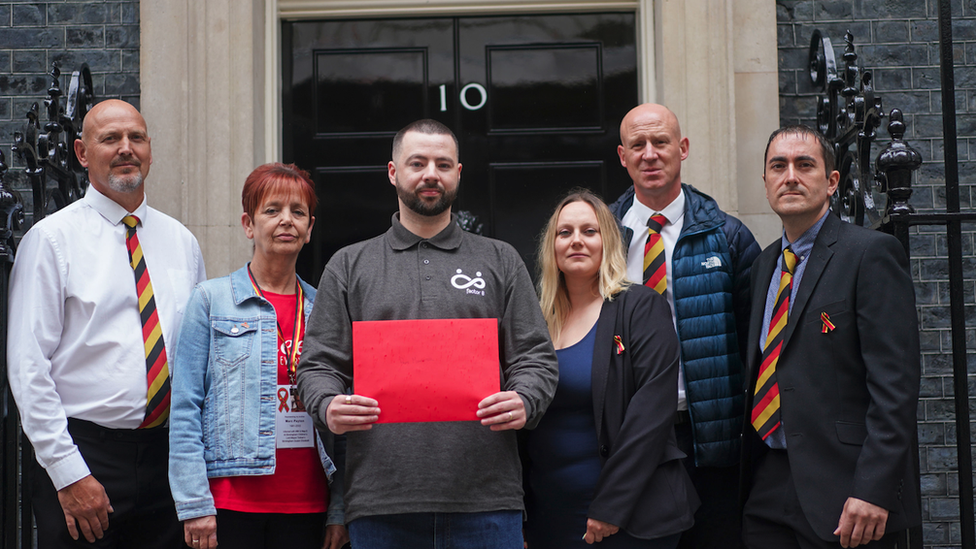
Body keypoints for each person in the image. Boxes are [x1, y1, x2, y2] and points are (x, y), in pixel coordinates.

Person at [296, 118, 559, 548]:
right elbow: (318, 364)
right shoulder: (348, 265)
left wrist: (525, 398)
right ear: (393, 172)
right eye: (417, 163)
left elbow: (535, 357)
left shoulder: (500, 260)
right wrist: (328, 405)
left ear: (459, 173)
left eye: (442, 163)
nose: (430, 174)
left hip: (487, 501)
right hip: (381, 504)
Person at [6, 99, 206, 548]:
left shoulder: (182, 242)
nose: (125, 149)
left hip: (168, 459)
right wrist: (68, 472)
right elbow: (27, 368)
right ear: (81, 152)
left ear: (150, 149)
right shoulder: (51, 241)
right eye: (110, 138)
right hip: (87, 454)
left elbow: (196, 355)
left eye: (136, 138)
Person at [740, 125, 921, 549]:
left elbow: (895, 386)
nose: (791, 177)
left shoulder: (870, 254)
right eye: (778, 166)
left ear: (832, 181)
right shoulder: (763, 266)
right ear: (765, 181)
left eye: (805, 165)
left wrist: (873, 489)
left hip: (846, 495)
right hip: (767, 485)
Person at [168, 163, 349, 549]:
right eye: (272, 210)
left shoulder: (326, 308)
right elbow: (185, 408)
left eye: (298, 212)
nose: (286, 220)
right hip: (231, 504)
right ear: (249, 224)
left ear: (309, 227)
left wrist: (339, 510)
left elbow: (345, 420)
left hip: (308, 505)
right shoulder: (210, 300)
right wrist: (195, 504)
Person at [608, 103, 760, 549]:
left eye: (661, 142)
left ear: (683, 148)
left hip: (707, 439)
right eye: (638, 145)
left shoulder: (728, 237)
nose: (650, 154)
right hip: (628, 435)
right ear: (622, 155)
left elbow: (755, 341)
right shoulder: (602, 238)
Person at [523, 190, 699, 548]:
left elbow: (650, 414)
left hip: (629, 516)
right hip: (550, 515)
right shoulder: (534, 320)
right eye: (564, 232)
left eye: (590, 231)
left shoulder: (640, 308)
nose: (576, 241)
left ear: (608, 242)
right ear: (551, 247)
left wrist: (611, 507)